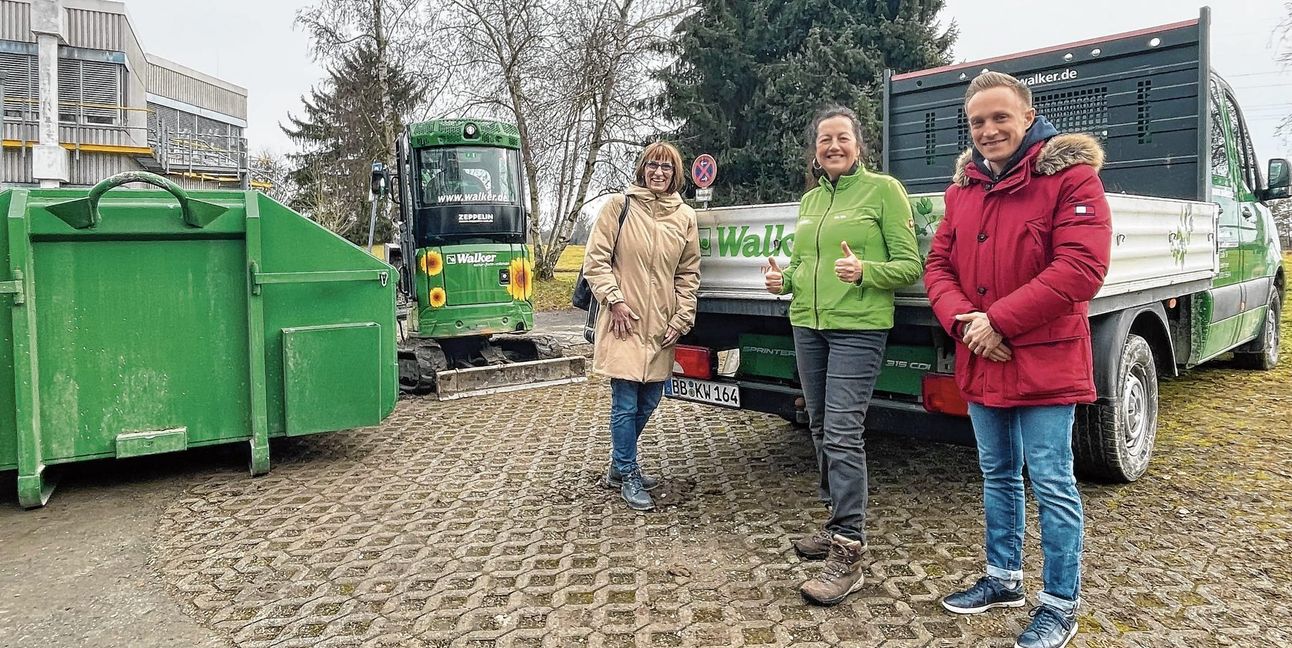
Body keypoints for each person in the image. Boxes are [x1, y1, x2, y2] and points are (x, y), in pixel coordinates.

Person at [923, 71, 1112, 648]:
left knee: (1052, 480)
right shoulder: (962, 191)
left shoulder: (1072, 179)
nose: (988, 130)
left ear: (1028, 117)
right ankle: (1003, 578)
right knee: (998, 473)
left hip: (1043, 361)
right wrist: (966, 324)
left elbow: (1081, 268)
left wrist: (997, 322)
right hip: (983, 355)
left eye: (1000, 117)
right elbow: (938, 266)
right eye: (977, 121)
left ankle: (1060, 604)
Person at [762, 105, 922, 606]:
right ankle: (835, 523)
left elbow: (910, 265)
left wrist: (866, 271)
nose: (833, 146)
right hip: (807, 324)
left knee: (842, 431)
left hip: (858, 327)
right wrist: (783, 281)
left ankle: (849, 550)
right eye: (824, 140)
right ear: (815, 150)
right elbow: (803, 265)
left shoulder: (883, 190)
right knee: (816, 425)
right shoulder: (811, 200)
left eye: (842, 138)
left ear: (858, 145)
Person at [582, 141, 701, 512]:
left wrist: (682, 317)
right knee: (625, 400)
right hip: (624, 321)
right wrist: (614, 300)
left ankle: (619, 465)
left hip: (662, 325)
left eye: (666, 167)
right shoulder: (619, 207)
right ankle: (628, 472)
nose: (658, 172)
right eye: (652, 165)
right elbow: (595, 262)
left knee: (651, 398)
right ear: (642, 169)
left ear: (675, 174)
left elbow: (688, 274)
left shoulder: (685, 217)